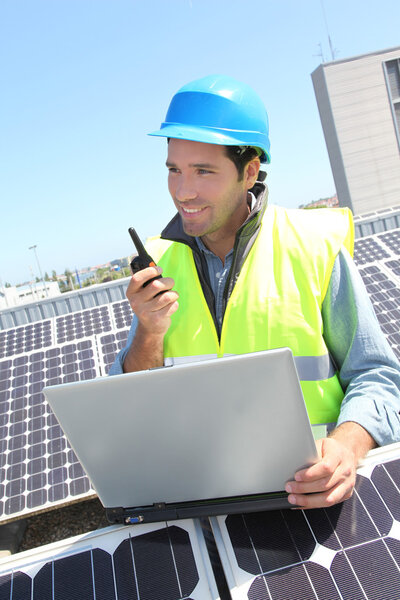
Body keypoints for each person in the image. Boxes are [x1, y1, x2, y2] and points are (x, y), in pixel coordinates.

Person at [110, 74, 400, 510]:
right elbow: (134, 404)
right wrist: (148, 332)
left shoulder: (315, 246)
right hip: (201, 502)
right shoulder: (159, 262)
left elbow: (378, 376)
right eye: (174, 170)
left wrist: (348, 446)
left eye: (203, 171)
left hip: (313, 498)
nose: (183, 191)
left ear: (249, 172)